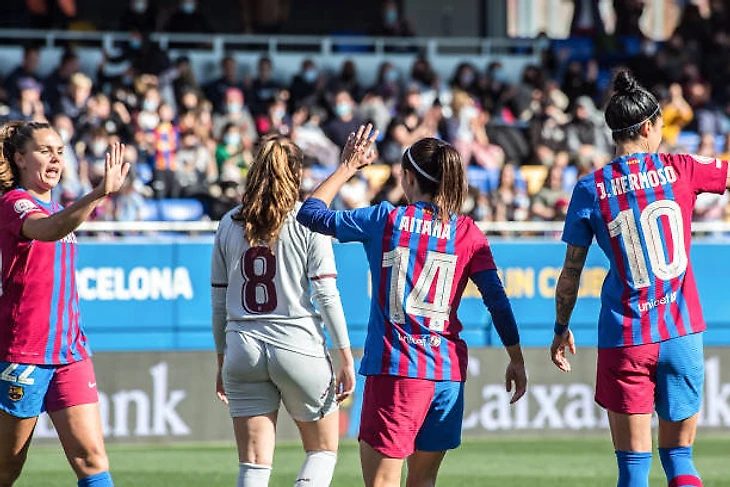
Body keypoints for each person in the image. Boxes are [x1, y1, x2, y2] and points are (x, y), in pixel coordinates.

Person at [297, 124, 527, 487]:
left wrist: (347, 167)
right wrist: (516, 357)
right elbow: (496, 300)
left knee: (382, 482)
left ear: (408, 177)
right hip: (446, 376)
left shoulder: (385, 219)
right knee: (423, 482)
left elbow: (310, 213)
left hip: (398, 372)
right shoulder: (467, 231)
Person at [551, 70, 730, 487]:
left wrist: (561, 327)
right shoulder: (681, 167)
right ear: (648, 127)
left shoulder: (590, 188)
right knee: (681, 459)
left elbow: (570, 273)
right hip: (681, 332)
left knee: (632, 470)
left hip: (627, 336)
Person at [211, 136, 356, 487]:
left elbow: (219, 303)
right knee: (322, 451)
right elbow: (326, 294)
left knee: (253, 465)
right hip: (297, 344)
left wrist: (221, 360)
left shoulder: (230, 222)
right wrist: (345, 358)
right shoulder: (309, 222)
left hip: (242, 345)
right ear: (298, 173)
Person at [0, 121, 129, 486]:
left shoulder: (57, 207)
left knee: (92, 460)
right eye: (45, 150)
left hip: (70, 352)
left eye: (59, 151)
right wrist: (98, 194)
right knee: (6, 469)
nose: (55, 158)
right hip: (24, 353)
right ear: (20, 158)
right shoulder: (14, 204)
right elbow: (48, 230)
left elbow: (57, 223)